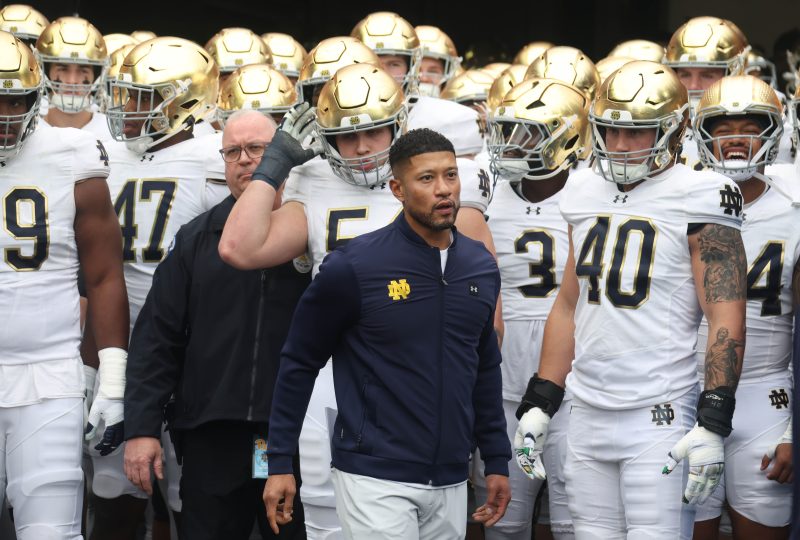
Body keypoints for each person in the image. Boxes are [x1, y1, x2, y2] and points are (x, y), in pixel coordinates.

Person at [220, 62, 497, 539]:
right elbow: (237, 248)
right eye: (347, 137)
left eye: (373, 131)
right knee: (324, 518)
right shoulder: (312, 180)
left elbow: (483, 325)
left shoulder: (437, 182)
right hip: (333, 375)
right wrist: (274, 164)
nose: (363, 148)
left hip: (417, 384)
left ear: (398, 126)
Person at [514, 60, 747, 539]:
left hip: (658, 411)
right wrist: (542, 399)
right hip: (586, 409)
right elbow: (569, 303)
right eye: (611, 130)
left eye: (637, 131)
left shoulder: (702, 192)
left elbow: (724, 312)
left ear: (675, 128)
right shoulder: (583, 188)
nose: (620, 145)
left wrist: (714, 414)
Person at [123, 110, 310, 539]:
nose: (245, 160)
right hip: (213, 433)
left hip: (296, 434)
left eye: (257, 149)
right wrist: (142, 429)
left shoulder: (315, 229)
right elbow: (156, 338)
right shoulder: (196, 238)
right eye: (232, 152)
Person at [90, 36, 227, 539]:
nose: (126, 107)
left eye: (140, 97)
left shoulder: (214, 157)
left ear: (184, 102)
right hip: (118, 345)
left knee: (188, 493)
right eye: (124, 94)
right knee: (112, 487)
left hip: (187, 350)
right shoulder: (107, 154)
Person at [0, 31, 129, 538]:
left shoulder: (71, 153)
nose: (6, 114)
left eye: (16, 100)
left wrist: (112, 377)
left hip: (49, 373)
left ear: (37, 99)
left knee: (51, 531)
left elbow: (104, 273)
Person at [479, 78, 590, 540]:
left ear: (568, 138)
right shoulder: (483, 191)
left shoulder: (592, 191)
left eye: (529, 132)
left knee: (573, 520)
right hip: (503, 379)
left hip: (576, 383)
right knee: (501, 519)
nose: (512, 143)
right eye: (507, 130)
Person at [691, 75, 797, 540]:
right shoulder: (678, 201)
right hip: (687, 391)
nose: (735, 139)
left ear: (773, 134)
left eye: (750, 128)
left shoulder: (793, 209)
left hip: (766, 397)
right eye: (723, 128)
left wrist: (794, 429)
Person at [35, 17, 111, 139]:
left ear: (96, 75)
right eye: (63, 68)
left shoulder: (114, 134)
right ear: (45, 72)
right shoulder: (26, 133)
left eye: (83, 70)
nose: (72, 81)